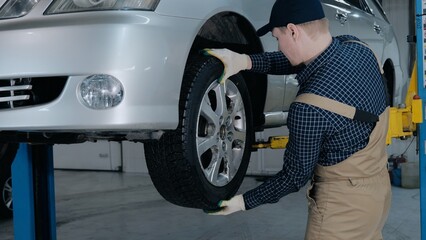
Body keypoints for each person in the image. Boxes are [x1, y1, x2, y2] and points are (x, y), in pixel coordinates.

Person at [204, 0, 391, 239]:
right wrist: (245, 61)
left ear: (293, 31)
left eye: (277, 37)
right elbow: (299, 60)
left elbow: (294, 177)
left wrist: (242, 202)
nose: (279, 46)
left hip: (344, 209)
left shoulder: (308, 109)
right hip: (378, 194)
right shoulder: (357, 48)